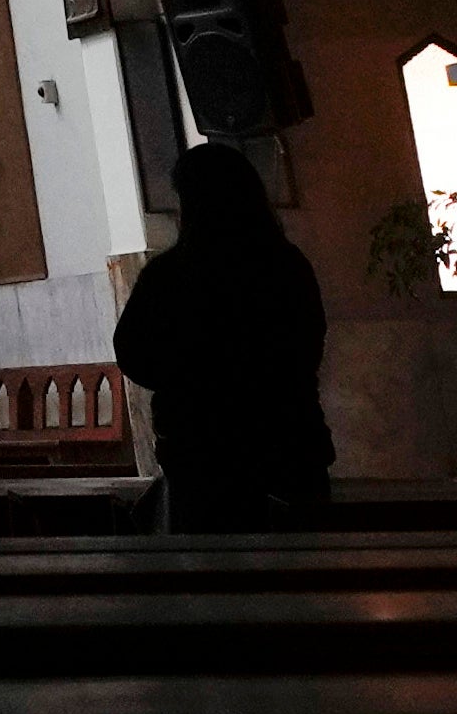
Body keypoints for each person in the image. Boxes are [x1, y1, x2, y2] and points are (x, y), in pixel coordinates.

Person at [110, 137, 334, 523]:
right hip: (288, 442)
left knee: (208, 571)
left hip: (200, 451)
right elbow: (308, 345)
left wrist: (189, 377)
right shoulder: (286, 265)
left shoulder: (171, 274)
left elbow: (132, 351)